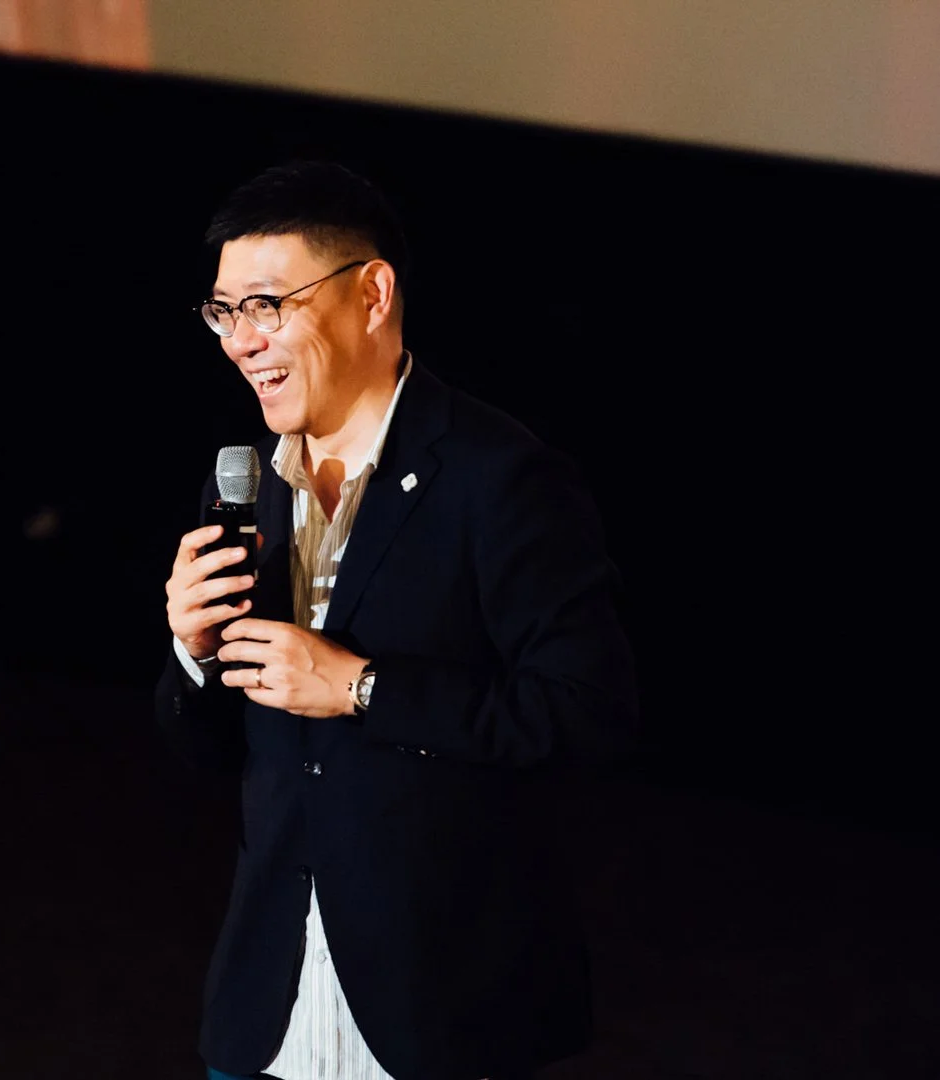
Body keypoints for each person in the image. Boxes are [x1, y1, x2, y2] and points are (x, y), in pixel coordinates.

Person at [155, 160, 639, 1080]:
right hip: (271, 1002)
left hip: (440, 1007)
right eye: (224, 313)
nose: (241, 342)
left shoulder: (498, 478)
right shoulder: (251, 487)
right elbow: (212, 752)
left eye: (267, 304)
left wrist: (359, 687)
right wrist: (189, 652)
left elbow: (588, 715)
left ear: (371, 293)